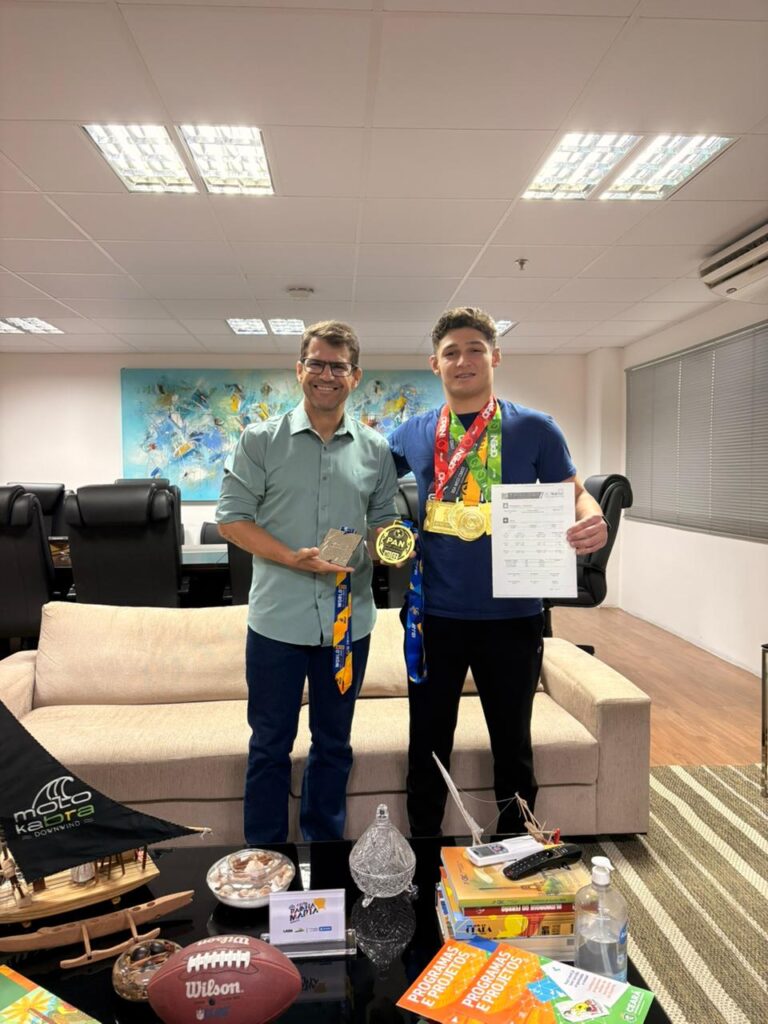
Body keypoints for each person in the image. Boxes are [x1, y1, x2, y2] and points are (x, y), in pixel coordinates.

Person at [388, 307, 608, 837]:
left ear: (495, 357)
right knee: (427, 745)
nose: (463, 361)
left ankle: (516, 851)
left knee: (513, 746)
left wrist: (593, 516)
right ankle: (425, 855)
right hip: (435, 617)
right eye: (451, 353)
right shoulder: (413, 432)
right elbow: (364, 482)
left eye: (475, 350)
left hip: (513, 615)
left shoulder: (534, 428)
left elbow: (574, 493)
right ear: (435, 363)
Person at [216, 321, 398, 844]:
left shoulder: (375, 449)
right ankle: (267, 860)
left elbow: (382, 521)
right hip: (278, 622)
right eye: (316, 363)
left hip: (346, 625)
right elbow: (232, 519)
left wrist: (390, 543)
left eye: (338, 366)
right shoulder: (260, 440)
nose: (326, 374)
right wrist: (291, 559)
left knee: (334, 744)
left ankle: (325, 855)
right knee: (270, 745)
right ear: (299, 370)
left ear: (355, 376)